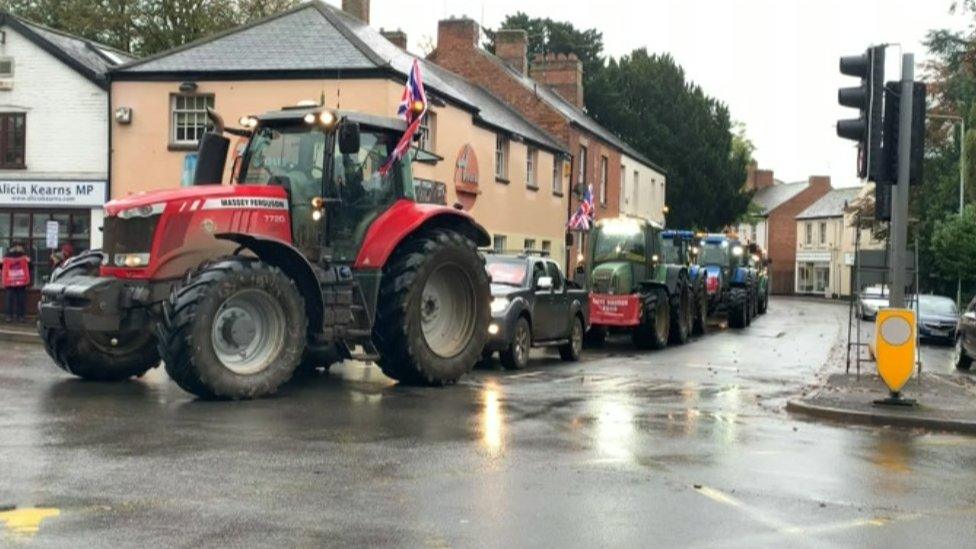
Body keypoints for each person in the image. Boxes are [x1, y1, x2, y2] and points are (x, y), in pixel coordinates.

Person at [2, 242, 31, 323]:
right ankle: (20, 316)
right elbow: (30, 267)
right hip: (21, 281)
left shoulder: (6, 256)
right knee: (20, 299)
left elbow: (1, 266)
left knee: (10, 299)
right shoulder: (24, 256)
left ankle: (9, 316)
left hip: (10, 281)